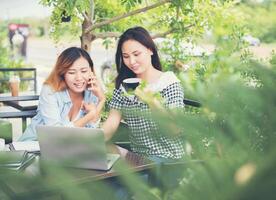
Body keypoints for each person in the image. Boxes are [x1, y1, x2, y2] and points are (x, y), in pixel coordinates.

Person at [102, 27, 185, 162]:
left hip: (168, 161)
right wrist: (89, 142)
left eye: (136, 54)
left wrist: (152, 101)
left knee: (113, 182)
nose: (132, 62)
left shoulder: (168, 82)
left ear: (150, 50)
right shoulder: (126, 84)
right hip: (138, 159)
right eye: (126, 56)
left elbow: (175, 130)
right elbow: (111, 123)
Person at [19, 47, 105, 141]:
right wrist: (90, 115)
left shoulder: (92, 91)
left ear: (90, 71)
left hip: (68, 150)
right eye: (72, 72)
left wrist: (101, 99)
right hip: (34, 146)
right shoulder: (50, 90)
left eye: (84, 71)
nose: (79, 78)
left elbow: (91, 131)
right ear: (62, 73)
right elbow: (58, 135)